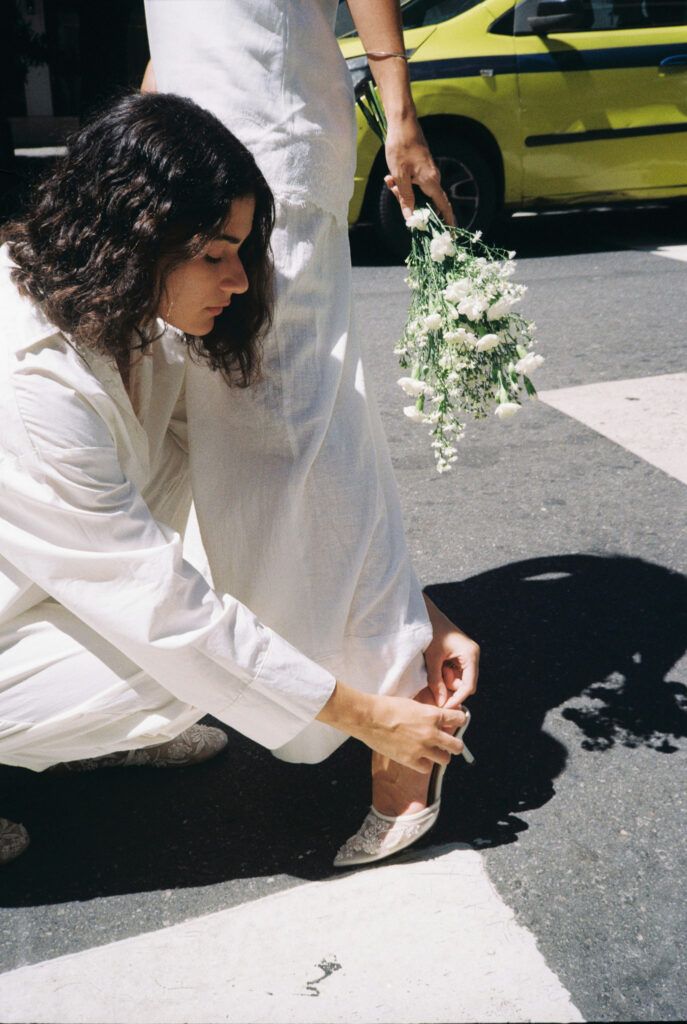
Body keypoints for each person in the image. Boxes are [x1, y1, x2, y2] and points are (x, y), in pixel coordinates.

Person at [0, 92, 470, 867]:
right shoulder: (30, 383)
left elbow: (280, 489)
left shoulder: (114, 305)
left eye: (242, 252)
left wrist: (414, 610)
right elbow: (162, 613)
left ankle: (94, 741)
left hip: (35, 584)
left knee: (253, 536)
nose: (242, 282)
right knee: (187, 664)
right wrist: (369, 718)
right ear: (136, 236)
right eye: (214, 254)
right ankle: (73, 733)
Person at [142, 0, 480, 864]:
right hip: (178, 155)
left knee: (298, 444)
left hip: (268, 150)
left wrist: (399, 111)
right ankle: (152, 695)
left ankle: (408, 721)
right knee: (179, 435)